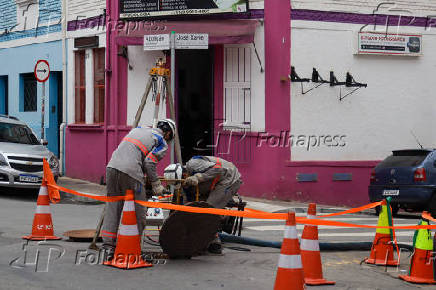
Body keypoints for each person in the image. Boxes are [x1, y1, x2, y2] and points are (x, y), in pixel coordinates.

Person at [101, 119, 176, 257]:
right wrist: (156, 184)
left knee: (113, 207)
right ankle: (133, 246)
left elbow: (133, 152)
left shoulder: (138, 129)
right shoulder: (161, 142)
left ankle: (108, 247)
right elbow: (149, 163)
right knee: (139, 210)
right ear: (168, 133)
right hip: (131, 172)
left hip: (111, 167)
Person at [183, 155, 243, 254]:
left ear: (184, 172)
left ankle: (215, 241)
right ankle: (220, 220)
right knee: (202, 208)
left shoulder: (194, 164)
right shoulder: (184, 181)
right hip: (217, 180)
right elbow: (187, 203)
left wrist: (199, 177)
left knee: (209, 210)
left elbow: (219, 169)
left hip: (229, 178)